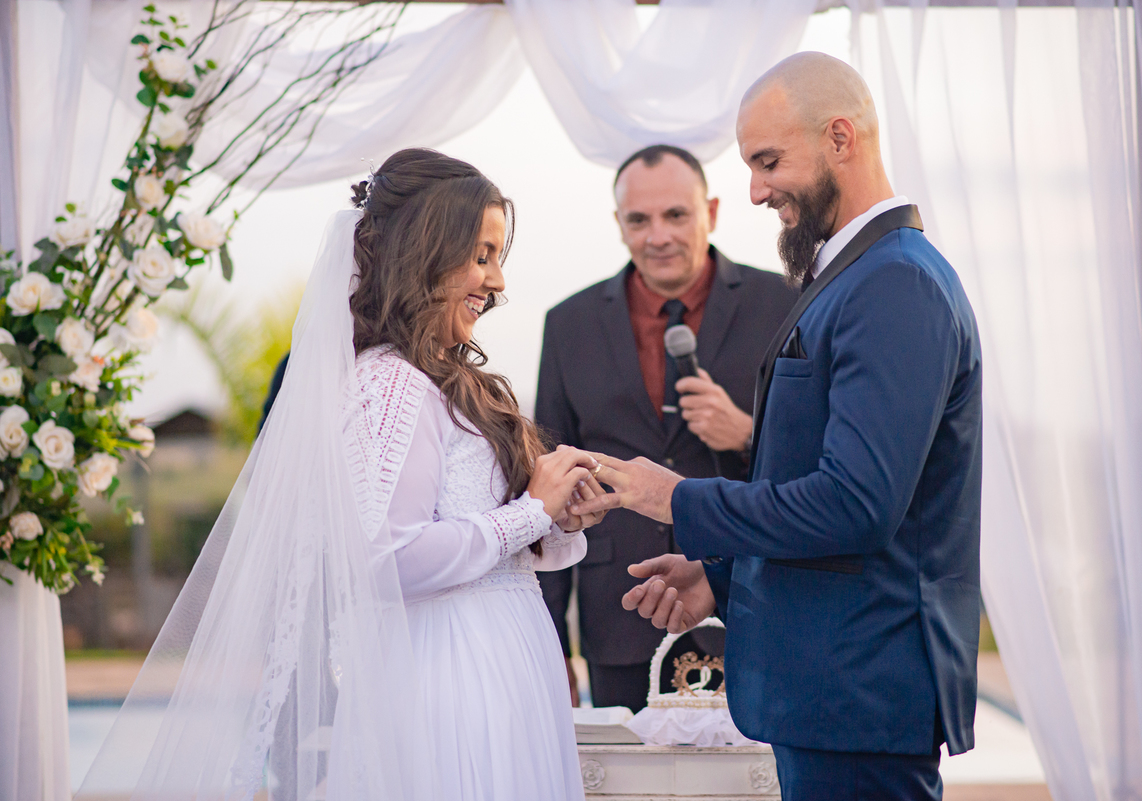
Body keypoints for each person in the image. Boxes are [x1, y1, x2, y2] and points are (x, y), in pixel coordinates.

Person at [77, 149, 603, 801]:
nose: (497, 282)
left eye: (498, 257)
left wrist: (555, 514)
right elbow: (388, 559)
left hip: (505, 658)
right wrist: (528, 513)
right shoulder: (390, 384)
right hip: (449, 671)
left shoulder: (454, 381)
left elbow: (481, 532)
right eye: (481, 255)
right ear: (427, 251)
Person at [571, 53, 983, 801]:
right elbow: (814, 486)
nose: (756, 190)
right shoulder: (854, 275)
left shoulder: (893, 283)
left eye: (767, 162)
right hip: (832, 695)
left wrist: (679, 500)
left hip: (856, 697)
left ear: (840, 138)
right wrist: (720, 577)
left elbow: (855, 504)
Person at [535, 144, 797, 711]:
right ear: (619, 225)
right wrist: (550, 642)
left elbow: (815, 462)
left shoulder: (783, 302)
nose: (658, 235)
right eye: (639, 220)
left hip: (750, 602)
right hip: (618, 611)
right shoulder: (568, 325)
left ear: (713, 211)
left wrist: (747, 434)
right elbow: (545, 492)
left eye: (676, 215)